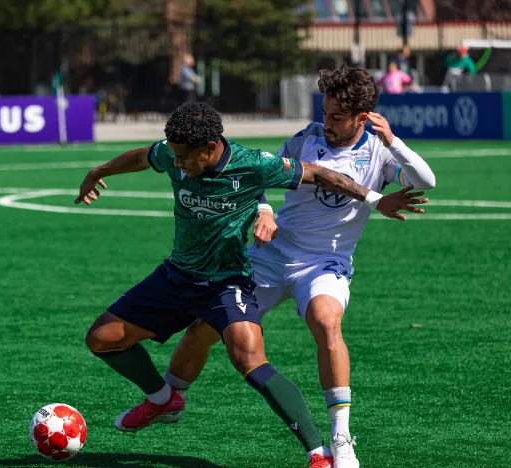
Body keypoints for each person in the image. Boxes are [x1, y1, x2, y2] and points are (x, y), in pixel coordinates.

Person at [75, 101, 427, 468]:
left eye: (184, 157)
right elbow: (142, 157)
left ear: (210, 148)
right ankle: (163, 399)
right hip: (176, 275)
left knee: (249, 359)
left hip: (227, 283)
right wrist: (99, 171)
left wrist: (374, 199)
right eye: (174, 155)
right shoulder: (172, 153)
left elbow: (321, 175)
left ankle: (318, 452)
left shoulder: (253, 163)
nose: (176, 163)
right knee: (101, 339)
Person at [157, 65, 436, 468]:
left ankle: (341, 438)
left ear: (362, 118)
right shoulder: (307, 138)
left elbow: (425, 180)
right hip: (273, 255)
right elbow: (256, 177)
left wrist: (393, 140)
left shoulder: (379, 151)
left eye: (337, 117)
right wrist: (265, 212)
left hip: (325, 262)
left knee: (327, 322)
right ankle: (169, 398)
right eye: (325, 112)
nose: (328, 123)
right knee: (205, 326)